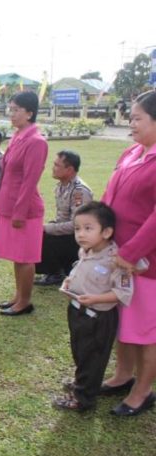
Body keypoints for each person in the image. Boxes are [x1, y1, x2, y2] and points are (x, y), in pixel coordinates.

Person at [100, 89, 156, 417]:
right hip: (118, 255)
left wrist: (132, 252)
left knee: (147, 330)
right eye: (130, 117)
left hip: (144, 263)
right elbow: (110, 196)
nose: (130, 123)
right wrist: (99, 234)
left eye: (137, 118)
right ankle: (123, 374)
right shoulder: (131, 153)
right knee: (125, 321)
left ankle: (143, 390)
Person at [53, 202, 133, 412]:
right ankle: (84, 382)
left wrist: (96, 299)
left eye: (88, 228)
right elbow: (78, 270)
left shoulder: (115, 260)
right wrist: (69, 282)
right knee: (80, 351)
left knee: (92, 357)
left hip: (98, 317)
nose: (81, 234)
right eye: (78, 228)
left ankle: (83, 399)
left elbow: (122, 292)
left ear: (106, 232)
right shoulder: (85, 250)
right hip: (77, 310)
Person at [0, 91, 48, 316]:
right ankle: (18, 296)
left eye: (16, 110)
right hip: (9, 204)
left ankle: (25, 301)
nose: (11, 114)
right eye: (11, 109)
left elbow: (29, 180)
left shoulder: (36, 141)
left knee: (25, 257)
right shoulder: (18, 136)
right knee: (16, 255)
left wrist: (19, 212)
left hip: (25, 209)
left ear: (30, 113)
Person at [34, 151, 92, 286]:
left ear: (70, 169)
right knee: (41, 232)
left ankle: (56, 274)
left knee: (43, 234)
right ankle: (55, 270)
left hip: (78, 239)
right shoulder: (62, 186)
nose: (53, 168)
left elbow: (77, 225)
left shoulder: (79, 191)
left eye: (57, 165)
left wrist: (47, 228)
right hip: (67, 235)